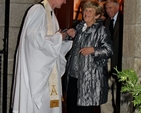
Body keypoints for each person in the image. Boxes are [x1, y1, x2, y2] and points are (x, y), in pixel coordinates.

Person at [11, 0, 73, 113]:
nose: (64, 2)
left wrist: (65, 39)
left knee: (49, 105)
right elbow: (34, 41)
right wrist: (59, 37)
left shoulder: (51, 14)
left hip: (50, 73)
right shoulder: (38, 10)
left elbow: (51, 45)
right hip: (38, 73)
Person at [65, 1, 113, 113]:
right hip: (73, 76)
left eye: (90, 11)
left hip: (87, 79)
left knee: (84, 110)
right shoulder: (80, 28)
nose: (86, 13)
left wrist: (93, 50)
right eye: (85, 10)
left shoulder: (101, 30)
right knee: (72, 108)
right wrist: (69, 34)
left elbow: (109, 50)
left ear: (97, 15)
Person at [104, 0, 123, 112]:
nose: (108, 10)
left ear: (117, 6)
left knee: (117, 91)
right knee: (107, 90)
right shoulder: (106, 21)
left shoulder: (124, 20)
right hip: (107, 61)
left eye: (110, 8)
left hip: (117, 61)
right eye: (106, 8)